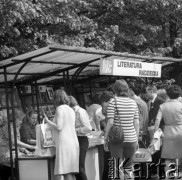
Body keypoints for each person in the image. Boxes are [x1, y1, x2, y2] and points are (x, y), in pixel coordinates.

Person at [104, 79, 139, 180]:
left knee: (116, 167)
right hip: (131, 138)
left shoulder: (113, 102)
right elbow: (136, 123)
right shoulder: (133, 102)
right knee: (129, 166)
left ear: (115, 89)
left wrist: (105, 139)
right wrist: (136, 139)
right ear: (127, 89)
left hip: (116, 139)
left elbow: (110, 122)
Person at [44, 90, 79, 180]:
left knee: (66, 171)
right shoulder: (71, 109)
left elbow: (59, 127)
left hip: (64, 142)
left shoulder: (59, 109)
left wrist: (48, 121)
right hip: (73, 141)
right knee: (71, 171)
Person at [154, 85, 182, 179]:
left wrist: (156, 133)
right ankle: (177, 174)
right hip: (180, 131)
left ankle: (167, 176)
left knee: (168, 156)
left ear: (168, 94)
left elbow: (157, 120)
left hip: (168, 132)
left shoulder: (163, 106)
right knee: (178, 155)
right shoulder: (181, 105)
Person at [0, 109, 35, 180]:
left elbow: (17, 143)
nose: (21, 121)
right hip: (6, 153)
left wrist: (25, 150)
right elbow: (14, 142)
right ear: (13, 119)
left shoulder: (15, 127)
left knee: (26, 158)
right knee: (24, 162)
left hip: (13, 152)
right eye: (19, 119)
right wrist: (29, 146)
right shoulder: (8, 127)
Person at [69, 96, 92, 180]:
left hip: (81, 140)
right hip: (76, 139)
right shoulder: (75, 112)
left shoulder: (80, 112)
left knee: (79, 167)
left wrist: (75, 130)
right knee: (76, 168)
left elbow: (88, 128)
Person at [146, 84, 165, 178]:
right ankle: (154, 172)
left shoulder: (160, 101)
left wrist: (155, 128)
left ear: (151, 91)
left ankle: (156, 172)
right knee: (154, 151)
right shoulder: (152, 102)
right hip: (153, 130)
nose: (146, 94)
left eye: (147, 92)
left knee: (157, 151)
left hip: (157, 130)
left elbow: (159, 118)